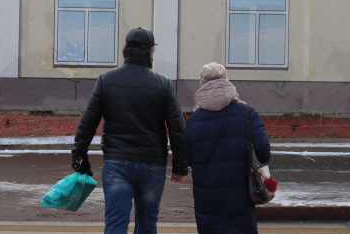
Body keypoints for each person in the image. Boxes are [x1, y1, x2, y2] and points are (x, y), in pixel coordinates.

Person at [71, 27, 188, 234]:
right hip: (152, 165)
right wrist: (180, 166)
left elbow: (88, 122)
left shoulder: (106, 80)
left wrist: (79, 154)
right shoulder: (163, 84)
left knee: (115, 224)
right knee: (147, 225)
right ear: (150, 52)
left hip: (117, 163)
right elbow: (177, 129)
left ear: (126, 50)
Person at [183, 62, 271, 234]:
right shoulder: (246, 113)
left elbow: (189, 157)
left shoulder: (195, 120)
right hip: (240, 194)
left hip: (207, 197)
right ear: (226, 80)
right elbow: (263, 150)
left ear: (202, 84)